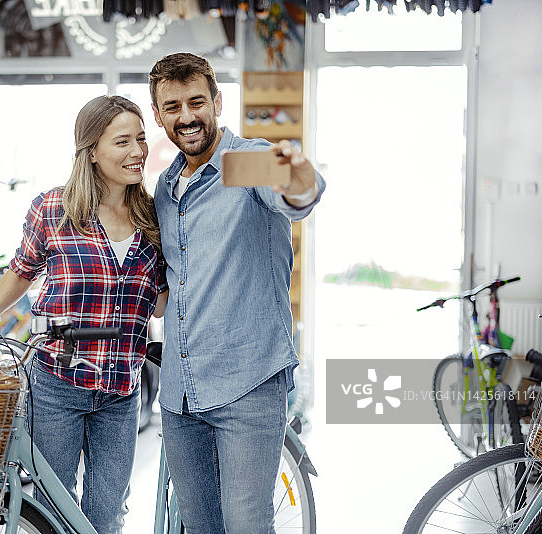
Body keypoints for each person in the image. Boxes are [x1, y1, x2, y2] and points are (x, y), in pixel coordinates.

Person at [0, 94, 168, 534]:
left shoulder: (153, 215)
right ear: (92, 151)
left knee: (107, 515)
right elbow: (21, 271)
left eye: (141, 139)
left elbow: (162, 297)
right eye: (122, 141)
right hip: (57, 383)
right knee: (52, 510)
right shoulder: (54, 209)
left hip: (121, 388)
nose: (138, 151)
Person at [148, 52, 326, 533]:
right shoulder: (165, 188)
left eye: (196, 102)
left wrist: (299, 174)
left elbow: (297, 195)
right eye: (172, 107)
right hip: (181, 394)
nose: (186, 116)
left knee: (246, 525)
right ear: (158, 115)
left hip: (246, 384)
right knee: (200, 527)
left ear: (217, 102)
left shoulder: (242, 162)